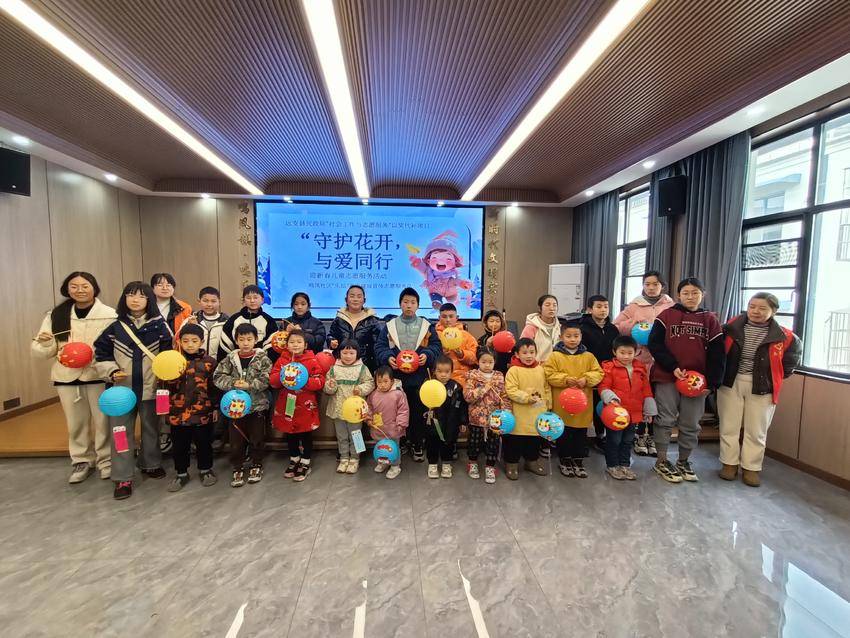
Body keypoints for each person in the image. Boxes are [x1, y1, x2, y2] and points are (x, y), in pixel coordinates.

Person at [31, 272, 117, 483]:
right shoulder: (56, 315)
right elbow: (42, 351)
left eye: (85, 286)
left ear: (94, 288)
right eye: (74, 286)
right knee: (75, 422)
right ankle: (81, 460)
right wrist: (45, 343)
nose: (80, 290)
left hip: (98, 374)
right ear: (67, 289)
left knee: (103, 421)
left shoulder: (109, 314)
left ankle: (106, 460)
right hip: (66, 376)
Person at [94, 282, 173, 500]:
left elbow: (169, 356)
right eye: (130, 295)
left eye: (141, 296)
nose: (135, 300)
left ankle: (151, 463)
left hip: (151, 388)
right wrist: (111, 371)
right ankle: (122, 477)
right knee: (120, 432)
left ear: (149, 300)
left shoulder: (160, 327)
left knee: (152, 428)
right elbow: (100, 353)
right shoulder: (115, 327)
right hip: (121, 392)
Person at [718, 292, 802, 487]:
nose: (755, 311)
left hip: (763, 386)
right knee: (729, 426)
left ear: (774, 311)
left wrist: (771, 379)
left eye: (762, 308)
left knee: (757, 430)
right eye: (752, 306)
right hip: (730, 382)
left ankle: (751, 468)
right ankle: (729, 464)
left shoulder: (786, 337)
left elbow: (788, 365)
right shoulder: (729, 328)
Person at [647, 277, 724, 484]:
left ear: (703, 295)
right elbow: (655, 345)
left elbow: (718, 354)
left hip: (697, 382)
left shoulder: (710, 320)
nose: (690, 297)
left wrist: (712, 383)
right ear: (678, 295)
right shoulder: (666, 316)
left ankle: (683, 460)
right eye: (686, 293)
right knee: (665, 419)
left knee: (691, 422)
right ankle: (661, 460)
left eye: (695, 293)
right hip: (667, 376)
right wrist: (672, 366)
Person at [374, 287, 443, 462]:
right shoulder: (390, 326)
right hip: (396, 378)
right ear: (400, 304)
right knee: (396, 413)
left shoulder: (426, 326)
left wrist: (427, 355)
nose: (409, 305)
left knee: (417, 412)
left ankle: (417, 443)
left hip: (419, 377)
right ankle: (401, 441)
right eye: (405, 302)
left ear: (418, 305)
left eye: (413, 302)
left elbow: (436, 346)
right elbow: (379, 347)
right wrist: (387, 357)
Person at [613, 270, 675, 456]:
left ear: (662, 286)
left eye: (655, 284)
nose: (651, 287)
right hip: (640, 359)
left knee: (658, 400)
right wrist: (634, 324)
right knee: (640, 398)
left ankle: (653, 437)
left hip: (663, 360)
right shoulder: (635, 305)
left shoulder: (671, 306)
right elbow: (617, 326)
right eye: (647, 284)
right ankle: (639, 435)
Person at [213, 323, 273, 487]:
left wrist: (250, 385)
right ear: (236, 340)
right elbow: (217, 376)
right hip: (234, 407)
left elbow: (268, 379)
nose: (245, 343)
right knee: (236, 439)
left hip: (257, 406)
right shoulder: (230, 359)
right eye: (241, 339)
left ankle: (256, 464)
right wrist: (233, 383)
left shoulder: (263, 359)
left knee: (257, 437)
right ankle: (237, 466)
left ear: (256, 340)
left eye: (249, 339)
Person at [543, 321, 603, 479]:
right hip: (562, 405)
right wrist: (565, 379)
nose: (572, 339)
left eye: (576, 336)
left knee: (580, 434)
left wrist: (586, 379)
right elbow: (548, 374)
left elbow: (598, 373)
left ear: (581, 336)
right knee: (564, 433)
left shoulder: (589, 356)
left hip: (583, 405)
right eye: (568, 336)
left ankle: (578, 461)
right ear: (561, 337)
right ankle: (564, 460)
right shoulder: (555, 356)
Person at [163, 323, 218, 491]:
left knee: (204, 442)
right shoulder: (172, 361)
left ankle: (205, 470)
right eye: (185, 341)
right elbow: (162, 385)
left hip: (202, 412)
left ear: (201, 341)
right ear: (180, 341)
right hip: (177, 412)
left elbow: (215, 387)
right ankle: (181, 473)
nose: (190, 344)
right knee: (180, 445)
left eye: (194, 341)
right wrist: (163, 408)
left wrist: (215, 407)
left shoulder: (210, 362)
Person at [269, 327, 325, 481]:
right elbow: (272, 380)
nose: (295, 345)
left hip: (305, 404)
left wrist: (303, 381)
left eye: (299, 342)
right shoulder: (282, 360)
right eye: (292, 342)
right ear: (286, 345)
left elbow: (320, 380)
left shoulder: (312, 360)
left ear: (305, 345)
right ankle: (294, 459)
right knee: (290, 433)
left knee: (306, 433)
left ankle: (305, 462)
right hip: (287, 403)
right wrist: (283, 376)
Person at [599, 336, 657, 480]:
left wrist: (649, 409)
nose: (626, 356)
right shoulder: (609, 368)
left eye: (630, 353)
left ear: (636, 352)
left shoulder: (640, 368)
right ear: (614, 352)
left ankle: (625, 465)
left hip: (634, 413)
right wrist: (611, 398)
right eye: (622, 352)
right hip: (616, 413)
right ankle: (612, 466)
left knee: (627, 441)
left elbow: (646, 389)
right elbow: (603, 386)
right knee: (614, 440)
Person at [324, 339, 375, 474]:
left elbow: (370, 383)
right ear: (339, 353)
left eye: (351, 353)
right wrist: (330, 386)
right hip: (338, 409)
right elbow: (328, 389)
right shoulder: (333, 369)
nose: (348, 356)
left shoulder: (362, 368)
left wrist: (361, 389)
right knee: (341, 436)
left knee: (356, 435)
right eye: (345, 353)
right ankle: (344, 457)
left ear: (357, 354)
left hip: (355, 411)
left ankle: (355, 458)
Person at [504, 338, 551, 479]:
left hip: (538, 412)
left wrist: (548, 405)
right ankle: (512, 464)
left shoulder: (540, 369)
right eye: (524, 353)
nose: (529, 356)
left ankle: (532, 461)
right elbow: (511, 390)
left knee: (534, 439)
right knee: (515, 440)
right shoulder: (513, 370)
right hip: (519, 413)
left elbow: (546, 388)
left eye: (532, 352)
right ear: (517, 354)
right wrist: (526, 398)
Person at [579, 295, 620, 452]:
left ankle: (600, 436)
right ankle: (582, 438)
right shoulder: (582, 328)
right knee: (586, 405)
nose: (603, 310)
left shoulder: (613, 329)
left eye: (606, 306)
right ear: (590, 309)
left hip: (608, 373)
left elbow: (617, 351)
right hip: (588, 373)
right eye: (599, 306)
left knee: (602, 404)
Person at [464, 348, 510, 483]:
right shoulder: (472, 375)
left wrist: (506, 411)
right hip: (476, 418)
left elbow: (504, 396)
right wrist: (484, 388)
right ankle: (473, 463)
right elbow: (468, 396)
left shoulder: (499, 376)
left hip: (495, 418)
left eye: (490, 362)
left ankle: (490, 466)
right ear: (478, 361)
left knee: (493, 443)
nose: (487, 365)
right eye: (483, 362)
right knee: (474, 442)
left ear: (495, 362)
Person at [424, 356, 465, 479]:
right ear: (434, 371)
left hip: (450, 422)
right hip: (433, 422)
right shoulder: (429, 385)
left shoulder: (456, 387)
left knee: (449, 443)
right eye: (439, 371)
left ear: (451, 372)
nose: (443, 375)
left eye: (447, 371)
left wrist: (463, 422)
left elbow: (461, 406)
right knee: (432, 443)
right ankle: (432, 464)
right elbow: (422, 401)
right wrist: (426, 412)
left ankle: (447, 463)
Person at [366, 367, 409, 479]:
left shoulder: (398, 394)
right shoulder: (373, 394)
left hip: (393, 428)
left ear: (392, 381)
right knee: (380, 446)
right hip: (378, 427)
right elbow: (369, 407)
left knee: (393, 447)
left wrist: (401, 424)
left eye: (385, 381)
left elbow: (403, 410)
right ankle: (382, 462)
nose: (382, 385)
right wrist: (369, 419)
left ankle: (395, 465)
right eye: (379, 382)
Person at [327, 285, 382, 371]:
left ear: (364, 300)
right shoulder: (339, 319)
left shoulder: (372, 321)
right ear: (346, 300)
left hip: (365, 366)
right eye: (352, 296)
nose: (355, 299)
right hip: (342, 365)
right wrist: (331, 342)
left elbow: (378, 345)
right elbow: (331, 336)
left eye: (359, 296)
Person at [218, 285, 278, 360]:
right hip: (236, 363)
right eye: (248, 298)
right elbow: (225, 347)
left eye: (255, 297)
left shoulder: (269, 321)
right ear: (243, 300)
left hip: (261, 363)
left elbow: (272, 347)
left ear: (262, 300)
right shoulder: (233, 320)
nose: (252, 301)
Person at [435, 303, 478, 388]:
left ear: (457, 318)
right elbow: (428, 357)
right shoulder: (434, 335)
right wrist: (441, 354)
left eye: (451, 316)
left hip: (462, 378)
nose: (448, 320)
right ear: (439, 318)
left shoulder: (466, 335)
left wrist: (462, 354)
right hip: (439, 378)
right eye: (444, 317)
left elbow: (475, 358)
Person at [184, 286, 229, 361]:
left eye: (213, 301)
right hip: (195, 364)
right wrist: (191, 327)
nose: (209, 304)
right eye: (205, 301)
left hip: (221, 365)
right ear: (199, 301)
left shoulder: (227, 322)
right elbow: (180, 342)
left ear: (219, 302)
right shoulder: (190, 320)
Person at [150, 273, 192, 337]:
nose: (165, 288)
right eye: (160, 285)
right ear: (152, 288)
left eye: (168, 285)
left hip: (175, 342)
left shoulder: (184, 307)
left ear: (173, 288)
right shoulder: (146, 306)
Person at [520, 294, 560, 362]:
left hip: (556, 366)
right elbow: (523, 349)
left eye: (554, 305)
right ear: (540, 308)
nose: (552, 308)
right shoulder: (531, 327)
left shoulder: (560, 327)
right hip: (536, 365)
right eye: (547, 305)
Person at [477, 309, 511, 374]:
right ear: (486, 323)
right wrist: (487, 346)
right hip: (486, 372)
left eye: (498, 321)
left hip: (503, 371)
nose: (494, 324)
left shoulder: (506, 337)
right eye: (491, 321)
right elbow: (478, 358)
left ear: (502, 323)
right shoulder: (482, 340)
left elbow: (511, 356)